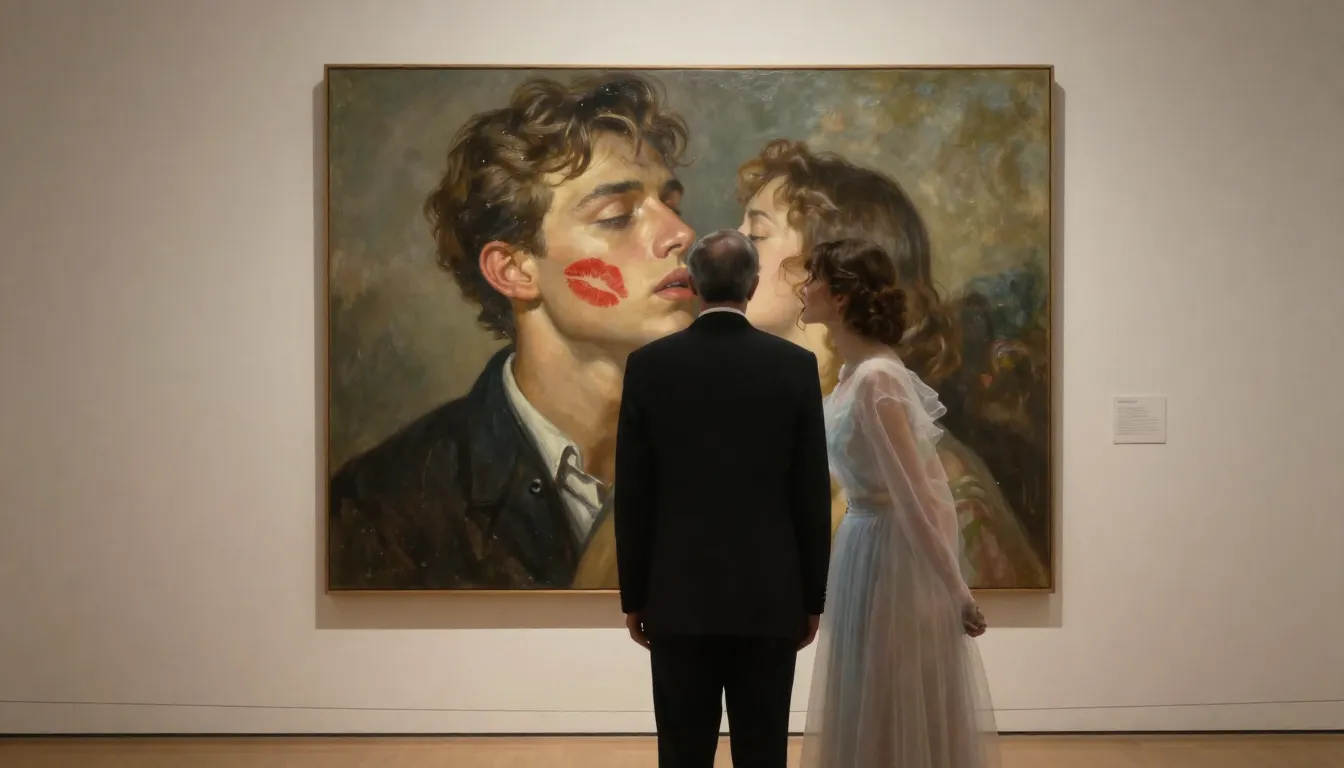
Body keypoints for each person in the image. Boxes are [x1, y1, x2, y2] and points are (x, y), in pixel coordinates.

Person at [327, 73, 697, 590]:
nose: (681, 233)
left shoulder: (730, 454)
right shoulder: (383, 505)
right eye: (617, 216)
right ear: (513, 271)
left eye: (671, 205)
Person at [736, 138, 1048, 589]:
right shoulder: (782, 420)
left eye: (756, 235)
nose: (731, 246)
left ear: (828, 271)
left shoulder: (943, 478)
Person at [613, 229, 833, 768]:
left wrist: (635, 596)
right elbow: (809, 493)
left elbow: (635, 495)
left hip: (676, 597)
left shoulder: (649, 366)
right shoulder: (794, 366)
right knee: (763, 751)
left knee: (682, 752)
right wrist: (811, 598)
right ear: (752, 285)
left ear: (692, 284)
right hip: (769, 597)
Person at [795, 238, 1000, 768]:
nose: (803, 288)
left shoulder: (877, 380)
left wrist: (955, 589)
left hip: (891, 554)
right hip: (865, 543)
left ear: (841, 296)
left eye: (813, 278)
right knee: (867, 689)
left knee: (889, 692)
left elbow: (917, 495)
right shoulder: (853, 375)